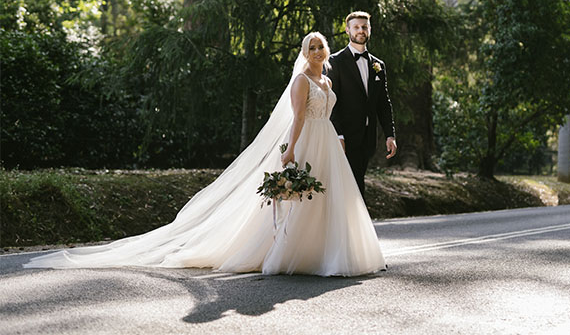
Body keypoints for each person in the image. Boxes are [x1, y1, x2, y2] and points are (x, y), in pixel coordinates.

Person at [24, 32, 385, 277]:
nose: (319, 53)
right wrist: (290, 150)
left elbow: (327, 114)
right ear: (304, 55)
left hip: (328, 142)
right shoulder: (301, 81)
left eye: (321, 47)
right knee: (302, 198)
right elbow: (300, 117)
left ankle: (331, 252)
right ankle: (295, 253)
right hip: (307, 141)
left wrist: (337, 136)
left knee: (332, 199)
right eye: (312, 48)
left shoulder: (328, 81)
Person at [326, 11, 397, 199]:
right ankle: (356, 225)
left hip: (367, 137)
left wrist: (390, 135)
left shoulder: (378, 65)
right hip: (344, 137)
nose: (361, 31)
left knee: (357, 179)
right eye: (356, 27)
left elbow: (383, 102)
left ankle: (354, 225)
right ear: (347, 30)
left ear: (370, 29)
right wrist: (338, 134)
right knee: (352, 183)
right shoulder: (335, 61)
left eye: (364, 27)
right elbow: (331, 102)